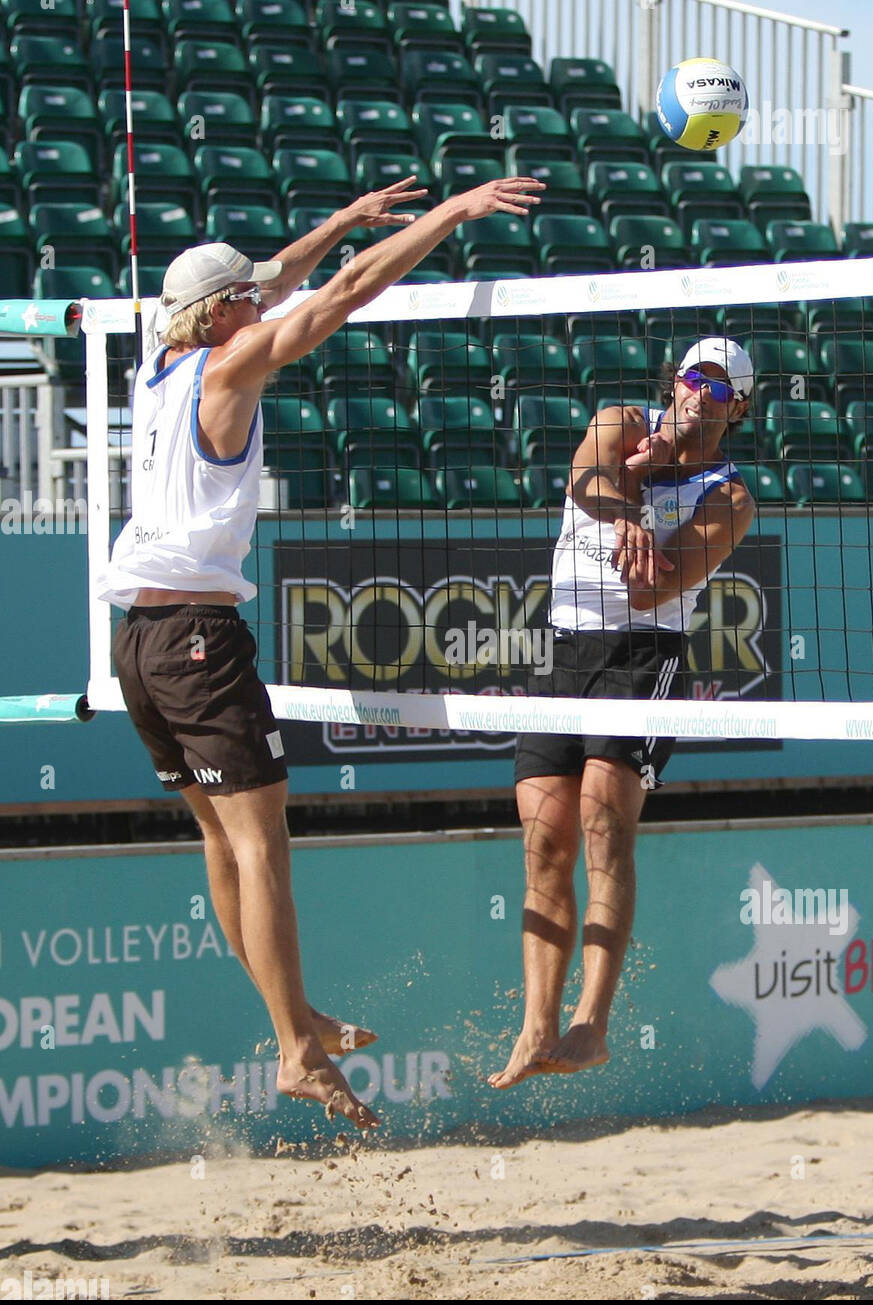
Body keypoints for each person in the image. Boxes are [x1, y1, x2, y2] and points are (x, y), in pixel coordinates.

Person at [97, 175, 545, 1129]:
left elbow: (284, 274)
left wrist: (337, 223)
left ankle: (293, 1019)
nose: (265, 302)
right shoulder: (230, 368)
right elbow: (342, 295)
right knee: (263, 849)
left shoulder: (160, 364)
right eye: (250, 301)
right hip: (196, 641)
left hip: (135, 639)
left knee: (221, 841)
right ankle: (296, 1049)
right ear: (222, 315)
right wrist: (447, 215)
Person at [489, 337, 757, 1089]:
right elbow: (585, 478)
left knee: (605, 820)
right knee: (545, 841)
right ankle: (536, 1023)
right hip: (565, 646)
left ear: (738, 407)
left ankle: (592, 1023)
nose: (699, 387)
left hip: (645, 651)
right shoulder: (619, 420)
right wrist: (627, 508)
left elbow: (652, 594)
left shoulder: (729, 495)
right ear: (674, 382)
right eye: (692, 373)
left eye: (718, 382)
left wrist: (638, 522)